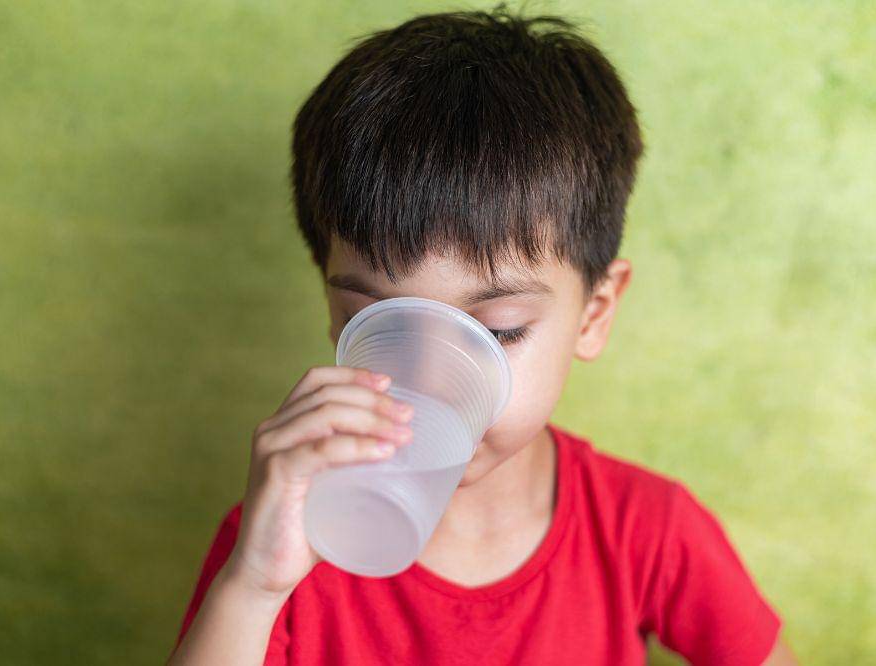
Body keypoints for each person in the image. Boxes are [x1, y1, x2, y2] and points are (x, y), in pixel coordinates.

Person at [167, 6, 798, 665]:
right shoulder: (278, 540)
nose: (430, 386)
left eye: (496, 332)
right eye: (375, 324)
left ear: (594, 311)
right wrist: (254, 585)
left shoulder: (644, 530)